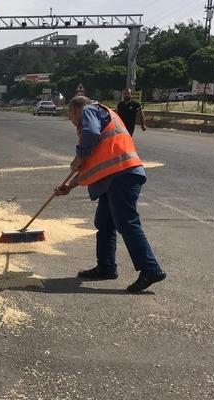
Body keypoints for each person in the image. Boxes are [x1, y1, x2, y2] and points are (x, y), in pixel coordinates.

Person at [54, 96, 166, 293]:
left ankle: (151, 269)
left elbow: (89, 136)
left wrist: (78, 157)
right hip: (113, 177)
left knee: (126, 222)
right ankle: (106, 266)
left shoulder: (89, 111)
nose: (73, 122)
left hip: (122, 175)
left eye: (70, 117)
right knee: (104, 222)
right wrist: (69, 187)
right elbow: (95, 162)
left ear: (73, 110)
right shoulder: (104, 114)